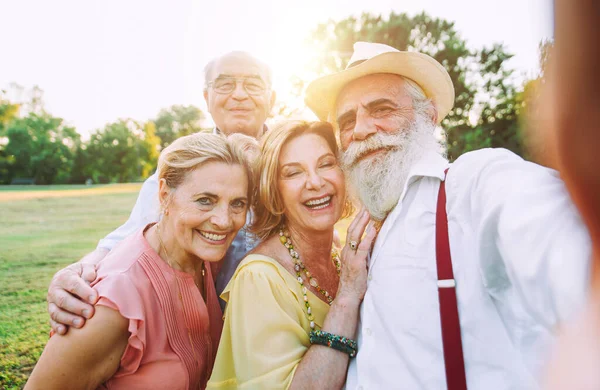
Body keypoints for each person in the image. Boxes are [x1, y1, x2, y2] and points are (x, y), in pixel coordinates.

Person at [304, 42, 592, 388]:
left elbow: (567, 251)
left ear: (428, 116)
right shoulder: (359, 232)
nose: (361, 130)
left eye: (381, 108)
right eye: (347, 120)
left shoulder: (474, 184)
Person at [46, 51, 276, 335]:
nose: (239, 94)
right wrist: (75, 273)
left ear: (272, 99)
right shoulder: (186, 159)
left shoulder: (293, 157)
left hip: (275, 323)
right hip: (196, 326)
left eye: (252, 84)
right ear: (206, 98)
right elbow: (130, 234)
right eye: (225, 84)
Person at [25, 132, 257, 389]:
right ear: (164, 194)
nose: (224, 221)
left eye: (238, 203)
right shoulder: (111, 305)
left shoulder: (204, 259)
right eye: (205, 201)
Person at [207, 121, 376, 389]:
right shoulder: (259, 279)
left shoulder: (336, 257)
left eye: (326, 164)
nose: (315, 182)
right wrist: (346, 296)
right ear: (273, 192)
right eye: (294, 173)